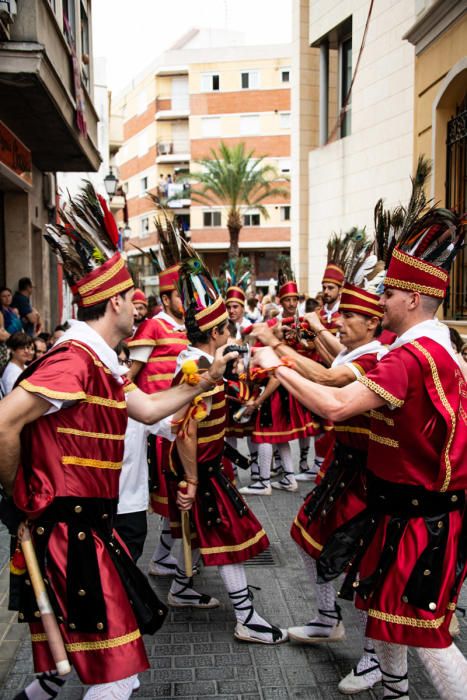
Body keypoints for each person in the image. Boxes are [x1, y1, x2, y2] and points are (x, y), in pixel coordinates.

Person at [0, 183, 235, 700]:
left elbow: (148, 409)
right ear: (112, 302)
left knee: (74, 657)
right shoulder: (74, 360)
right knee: (119, 669)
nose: (140, 305)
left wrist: (203, 381)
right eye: (132, 298)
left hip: (87, 532)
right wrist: (18, 497)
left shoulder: (102, 365)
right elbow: (4, 422)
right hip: (69, 536)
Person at [252, 208, 467, 700]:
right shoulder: (434, 349)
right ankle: (393, 691)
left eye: (387, 293)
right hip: (402, 509)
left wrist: (276, 363)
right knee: (384, 619)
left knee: (427, 640)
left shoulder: (411, 357)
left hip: (421, 518)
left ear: (413, 298)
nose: (380, 300)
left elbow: (335, 404)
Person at [251, 277, 387, 694]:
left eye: (348, 316)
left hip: (368, 473)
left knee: (361, 565)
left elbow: (330, 381)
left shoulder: (376, 355)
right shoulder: (358, 347)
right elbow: (332, 358)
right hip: (343, 464)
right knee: (305, 536)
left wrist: (275, 344)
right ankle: (328, 620)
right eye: (340, 313)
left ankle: (375, 658)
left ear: (373, 322)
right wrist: (306, 332)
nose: (338, 322)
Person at [165, 248, 288, 645]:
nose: (231, 333)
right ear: (216, 332)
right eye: (226, 329)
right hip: (202, 471)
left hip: (209, 466)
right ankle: (245, 617)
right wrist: (192, 480)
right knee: (227, 540)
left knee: (204, 533)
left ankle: (182, 586)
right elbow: (184, 430)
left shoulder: (204, 364)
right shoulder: (195, 369)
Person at [128, 226, 188, 578]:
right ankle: (169, 560)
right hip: (155, 421)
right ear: (166, 299)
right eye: (181, 296)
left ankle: (166, 557)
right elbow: (132, 373)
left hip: (181, 418)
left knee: (178, 493)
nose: (187, 301)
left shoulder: (189, 327)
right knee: (169, 493)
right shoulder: (152, 325)